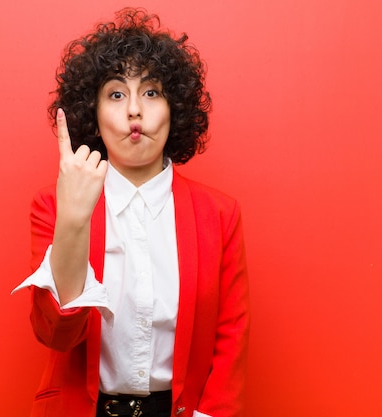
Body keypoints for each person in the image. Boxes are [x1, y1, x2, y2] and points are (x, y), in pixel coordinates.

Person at [13, 8, 249, 417]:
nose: (135, 110)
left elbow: (232, 337)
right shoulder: (53, 204)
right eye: (117, 94)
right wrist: (73, 219)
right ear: (95, 112)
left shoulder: (220, 214)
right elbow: (55, 333)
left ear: (175, 110)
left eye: (152, 92)